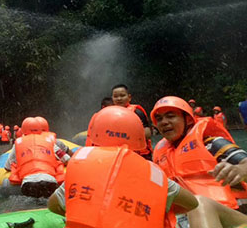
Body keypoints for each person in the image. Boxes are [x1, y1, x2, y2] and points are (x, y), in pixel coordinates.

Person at [48, 105, 199, 228]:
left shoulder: (81, 165)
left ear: (95, 135)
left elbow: (53, 204)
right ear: (138, 137)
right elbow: (192, 203)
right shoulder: (153, 173)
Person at [151, 96, 247, 225]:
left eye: (171, 116)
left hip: (229, 215)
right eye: (159, 119)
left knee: (199, 204)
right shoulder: (158, 154)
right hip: (183, 220)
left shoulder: (212, 144)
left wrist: (239, 169)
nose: (164, 122)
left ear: (189, 120)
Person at [5, 117, 71, 198]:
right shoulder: (50, 142)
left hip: (28, 184)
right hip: (49, 182)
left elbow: (8, 167)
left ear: (23, 130)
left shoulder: (18, 144)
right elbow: (67, 159)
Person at [111, 84, 153, 159]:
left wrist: (127, 136)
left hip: (139, 154)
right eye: (116, 96)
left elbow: (147, 133)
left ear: (129, 97)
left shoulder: (137, 112)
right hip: (119, 153)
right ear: (112, 99)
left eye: (122, 95)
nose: (119, 98)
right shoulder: (110, 114)